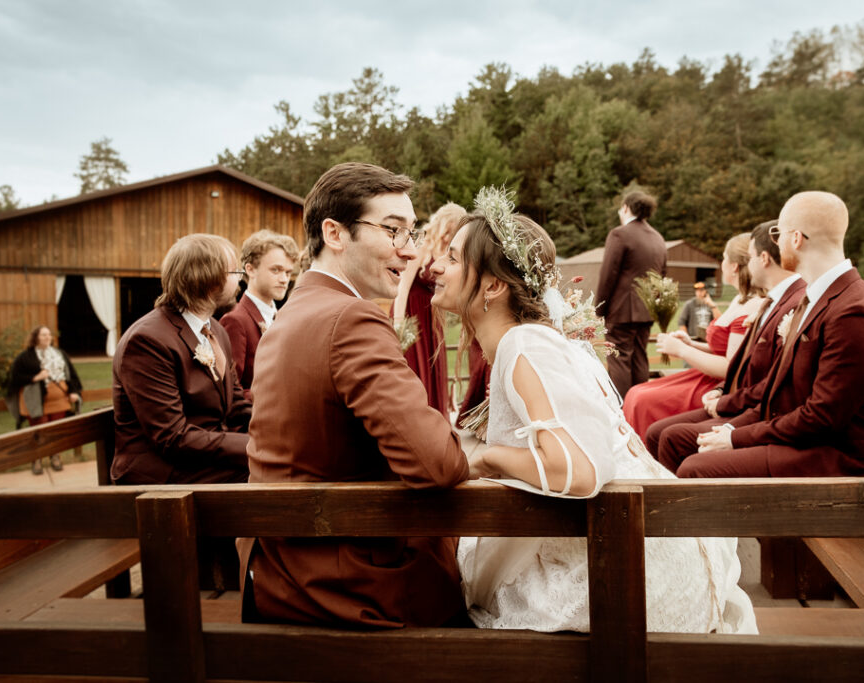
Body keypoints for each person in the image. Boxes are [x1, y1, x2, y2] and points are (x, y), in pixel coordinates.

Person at [430, 187, 756, 634]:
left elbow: (578, 470)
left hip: (628, 575)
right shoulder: (523, 341)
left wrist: (486, 459)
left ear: (493, 285)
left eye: (451, 258)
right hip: (619, 541)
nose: (435, 266)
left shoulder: (523, 345)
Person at [239, 162, 469, 628]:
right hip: (342, 581)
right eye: (393, 231)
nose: (408, 253)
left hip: (280, 562)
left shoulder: (291, 312)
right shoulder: (352, 320)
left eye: (412, 233)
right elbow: (436, 463)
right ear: (335, 233)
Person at [662, 191, 864, 478]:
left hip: (834, 455)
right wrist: (732, 427)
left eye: (778, 233)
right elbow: (779, 390)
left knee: (696, 468)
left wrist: (736, 438)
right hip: (798, 435)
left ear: (796, 238)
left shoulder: (855, 311)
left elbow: (823, 418)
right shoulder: (814, 298)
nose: (776, 242)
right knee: (676, 441)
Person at [646, 220, 805, 465]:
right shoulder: (768, 302)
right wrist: (720, 390)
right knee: (657, 430)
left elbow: (766, 379)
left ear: (762, 258)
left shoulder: (788, 305)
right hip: (733, 391)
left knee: (668, 433)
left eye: (750, 257)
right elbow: (748, 364)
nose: (746, 265)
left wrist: (727, 405)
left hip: (750, 404)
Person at [111, 233, 251, 485]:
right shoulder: (147, 341)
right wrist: (256, 446)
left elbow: (237, 406)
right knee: (271, 472)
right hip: (160, 471)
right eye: (236, 273)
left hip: (202, 457)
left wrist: (279, 432)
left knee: (287, 463)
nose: (242, 279)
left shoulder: (216, 330)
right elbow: (171, 437)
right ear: (208, 279)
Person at [621, 233, 763, 438]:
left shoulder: (753, 305)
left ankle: (651, 461)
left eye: (723, 258)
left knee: (642, 400)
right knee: (636, 392)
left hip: (719, 386)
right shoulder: (740, 299)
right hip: (703, 375)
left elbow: (730, 367)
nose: (721, 264)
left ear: (733, 266)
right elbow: (725, 349)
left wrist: (682, 350)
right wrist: (692, 343)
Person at [391, 202, 466, 413]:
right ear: (440, 225)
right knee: (415, 368)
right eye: (446, 231)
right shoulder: (422, 245)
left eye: (452, 233)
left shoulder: (449, 253)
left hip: (432, 317)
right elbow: (403, 287)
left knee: (435, 368)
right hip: (410, 313)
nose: (446, 237)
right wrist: (399, 325)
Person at [595, 190, 667, 398]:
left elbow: (608, 274)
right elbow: (662, 276)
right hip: (647, 311)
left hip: (622, 310)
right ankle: (639, 405)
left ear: (626, 208)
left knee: (619, 358)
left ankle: (621, 409)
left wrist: (600, 309)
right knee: (639, 358)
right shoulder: (658, 238)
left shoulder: (619, 234)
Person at [221, 229, 300, 400]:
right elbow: (231, 390)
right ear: (250, 270)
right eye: (276, 270)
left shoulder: (283, 317)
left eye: (288, 272)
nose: (284, 279)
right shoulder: (235, 320)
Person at [5, 325, 83, 475]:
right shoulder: (25, 357)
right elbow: (15, 377)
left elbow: (71, 375)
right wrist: (35, 378)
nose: (47, 337)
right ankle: (37, 460)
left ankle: (55, 458)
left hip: (59, 399)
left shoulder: (59, 354)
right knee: (39, 431)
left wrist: (74, 392)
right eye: (43, 335)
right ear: (35, 338)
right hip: (36, 401)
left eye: (49, 335)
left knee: (55, 431)